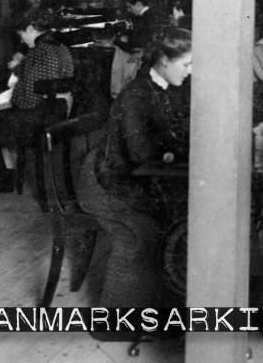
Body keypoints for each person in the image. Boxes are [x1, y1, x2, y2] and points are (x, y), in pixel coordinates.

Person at [76, 28, 192, 320]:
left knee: (181, 215)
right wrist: (177, 149)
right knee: (141, 233)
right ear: (165, 60)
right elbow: (142, 154)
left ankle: (166, 303)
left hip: (130, 176)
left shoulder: (169, 87)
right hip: (105, 185)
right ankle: (113, 322)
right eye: (187, 64)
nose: (191, 72)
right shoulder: (136, 94)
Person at [0, 8, 75, 208]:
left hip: (34, 119)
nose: (23, 40)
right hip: (57, 114)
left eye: (22, 35)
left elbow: (26, 100)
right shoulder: (62, 48)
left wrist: (11, 96)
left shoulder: (38, 52)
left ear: (30, 29)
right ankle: (0, 183)